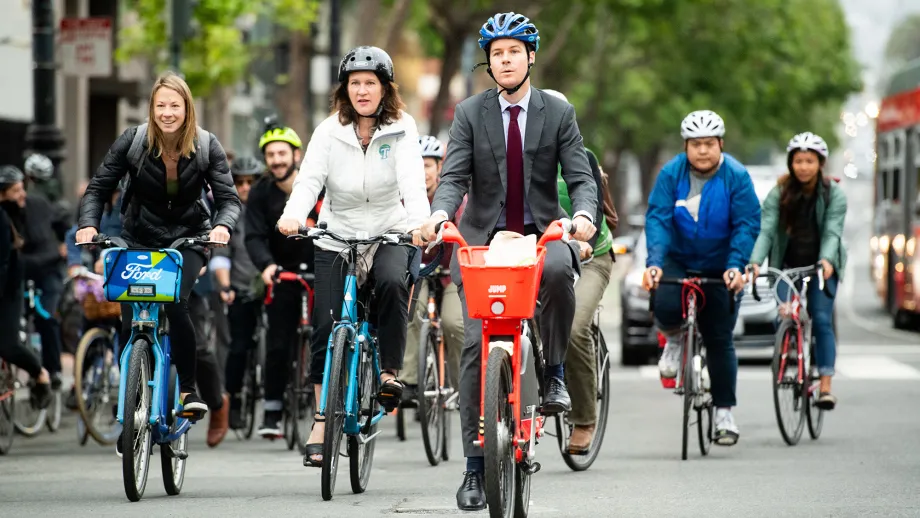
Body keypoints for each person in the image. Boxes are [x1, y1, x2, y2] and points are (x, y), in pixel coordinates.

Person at [419, 13, 598, 511]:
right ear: (489, 61)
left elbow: (581, 176)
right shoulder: (469, 113)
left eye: (514, 51)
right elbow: (453, 176)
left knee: (562, 271)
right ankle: (475, 470)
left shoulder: (557, 113)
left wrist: (582, 215)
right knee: (475, 346)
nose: (505, 60)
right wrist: (438, 214)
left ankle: (556, 371)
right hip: (482, 242)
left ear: (530, 57)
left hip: (542, 233)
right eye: (497, 53)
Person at [277, 45, 429, 467]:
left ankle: (388, 375)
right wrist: (293, 216)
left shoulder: (402, 126)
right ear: (345, 89)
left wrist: (419, 223)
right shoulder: (329, 130)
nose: (362, 91)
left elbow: (412, 182)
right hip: (336, 234)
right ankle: (323, 419)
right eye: (355, 83)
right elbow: (308, 180)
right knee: (325, 326)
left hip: (389, 231)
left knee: (394, 282)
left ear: (385, 89)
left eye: (371, 83)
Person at [76, 72, 241, 424]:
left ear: (187, 108)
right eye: (161, 105)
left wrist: (222, 227)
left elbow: (229, 199)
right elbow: (97, 189)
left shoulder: (206, 145)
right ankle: (131, 395)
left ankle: (188, 391)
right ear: (151, 108)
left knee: (176, 303)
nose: (167, 112)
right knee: (128, 317)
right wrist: (88, 224)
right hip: (138, 237)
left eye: (175, 106)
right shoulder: (133, 142)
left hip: (190, 238)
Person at [642, 109, 761, 447]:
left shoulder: (736, 176)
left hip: (721, 263)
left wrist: (736, 265)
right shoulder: (670, 173)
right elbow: (659, 219)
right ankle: (676, 341)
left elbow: (747, 223)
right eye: (696, 144)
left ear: (721, 144)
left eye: (709, 143)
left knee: (720, 337)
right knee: (664, 303)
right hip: (677, 258)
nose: (703, 151)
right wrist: (655, 263)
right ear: (686, 147)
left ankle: (724, 412)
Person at [541, 88, 617, 454]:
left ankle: (584, 418)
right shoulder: (522, 158)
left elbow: (594, 208)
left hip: (590, 257)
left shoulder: (582, 157)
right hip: (544, 253)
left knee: (572, 326)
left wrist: (583, 238)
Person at [748, 132, 846, 410]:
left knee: (822, 318)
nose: (803, 166)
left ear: (820, 163)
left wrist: (827, 260)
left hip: (821, 266)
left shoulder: (833, 194)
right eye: (798, 161)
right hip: (787, 264)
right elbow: (766, 231)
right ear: (791, 163)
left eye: (809, 161)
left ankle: (825, 385)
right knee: (784, 313)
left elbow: (832, 231)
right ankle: (790, 347)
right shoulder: (778, 193)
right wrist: (755, 262)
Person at [244, 117, 323, 439]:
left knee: (327, 336)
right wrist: (265, 266)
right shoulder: (261, 192)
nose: (276, 160)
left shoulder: (317, 185)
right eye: (271, 154)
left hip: (320, 270)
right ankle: (273, 408)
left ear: (296, 155)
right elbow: (253, 236)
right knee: (277, 343)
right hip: (282, 272)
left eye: (282, 153)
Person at [402, 136, 465, 399]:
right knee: (411, 313)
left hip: (451, 272)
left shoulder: (455, 197)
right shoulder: (403, 199)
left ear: (439, 168)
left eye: (427, 165)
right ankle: (409, 382)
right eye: (416, 165)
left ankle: (465, 387)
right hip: (419, 271)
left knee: (454, 323)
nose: (422, 172)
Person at [213, 155, 264, 430]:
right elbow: (221, 256)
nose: (245, 187)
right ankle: (232, 399)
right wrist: (225, 286)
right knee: (239, 347)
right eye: (240, 182)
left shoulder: (271, 208)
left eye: (251, 182)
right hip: (240, 288)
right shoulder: (228, 212)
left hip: (272, 287)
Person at [0, 165, 52, 409]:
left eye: (22, 188)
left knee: (8, 346)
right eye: (16, 190)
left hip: (8, 289)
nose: (22, 194)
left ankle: (40, 374)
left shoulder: (13, 213)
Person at [20, 154, 70, 392]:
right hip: (48, 267)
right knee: (47, 318)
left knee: (38, 317)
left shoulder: (27, 202)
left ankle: (49, 370)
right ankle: (54, 370)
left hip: (33, 265)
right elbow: (67, 235)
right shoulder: (59, 204)